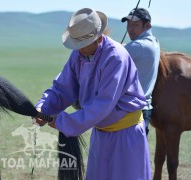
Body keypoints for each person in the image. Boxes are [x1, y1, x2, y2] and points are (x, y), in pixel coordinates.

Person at [33, 8, 151, 179]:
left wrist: (64, 121)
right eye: (76, 45)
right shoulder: (78, 55)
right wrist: (43, 108)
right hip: (101, 134)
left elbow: (103, 104)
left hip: (126, 136)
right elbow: (62, 87)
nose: (78, 49)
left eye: (82, 45)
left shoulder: (116, 57)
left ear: (99, 38)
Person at [121, 8, 160, 136]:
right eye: (128, 25)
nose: (130, 29)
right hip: (145, 109)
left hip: (131, 112)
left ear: (147, 25)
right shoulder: (155, 42)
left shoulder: (137, 46)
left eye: (135, 25)